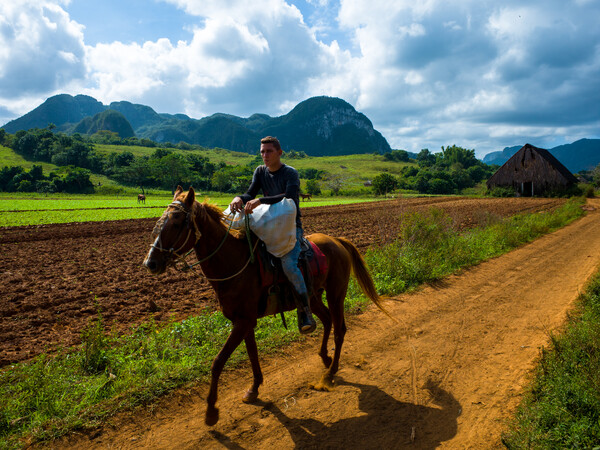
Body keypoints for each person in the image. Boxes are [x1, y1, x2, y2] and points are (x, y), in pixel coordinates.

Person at [230, 136, 317, 334]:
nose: (264, 155)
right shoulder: (260, 171)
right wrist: (239, 198)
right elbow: (250, 193)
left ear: (279, 152)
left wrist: (261, 201)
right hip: (268, 224)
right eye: (262, 151)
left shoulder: (290, 173)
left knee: (288, 265)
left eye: (269, 151)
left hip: (289, 228)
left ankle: (305, 310)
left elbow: (290, 198)